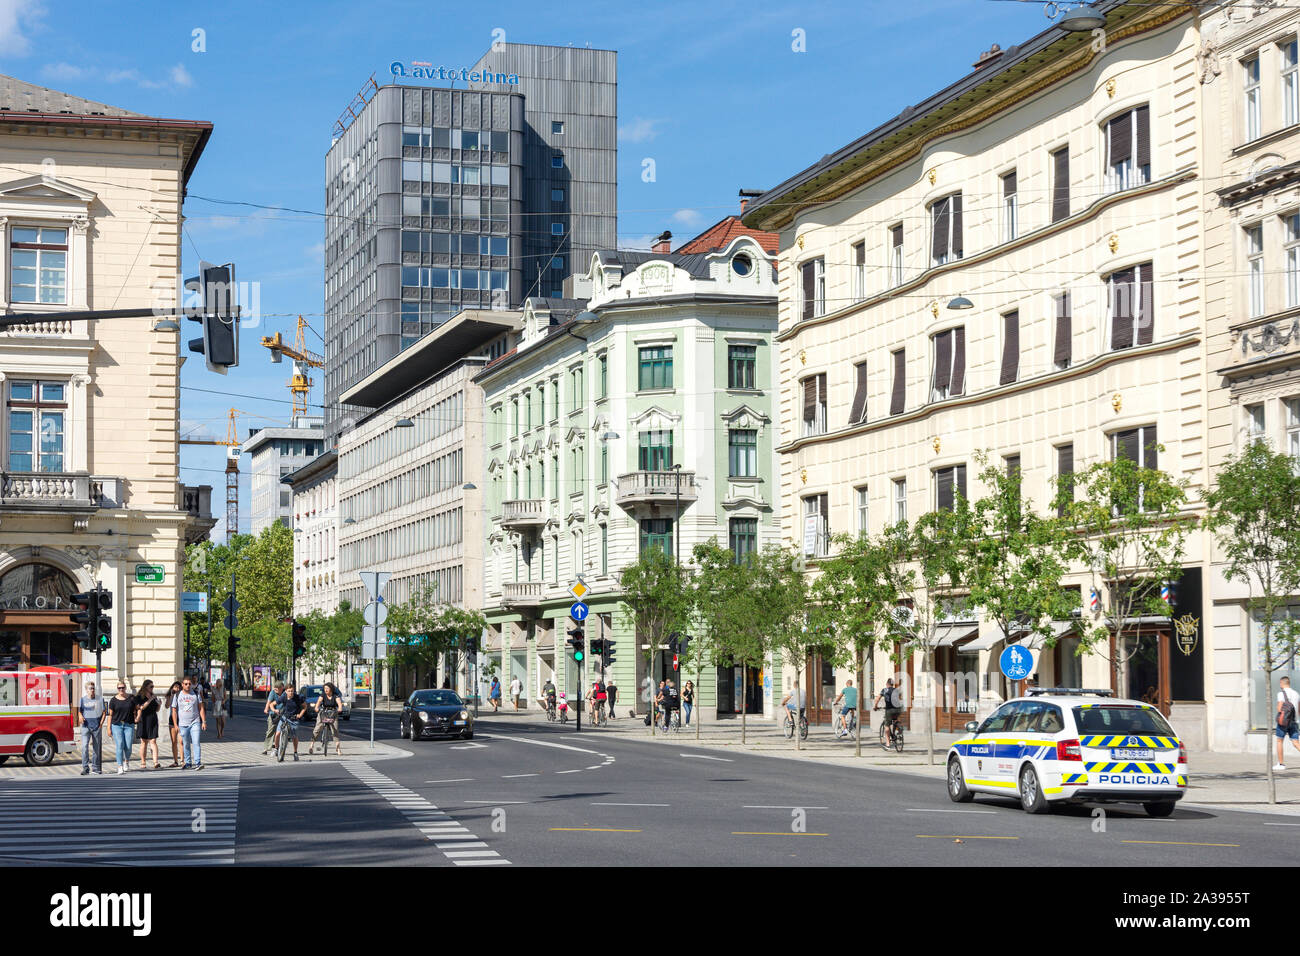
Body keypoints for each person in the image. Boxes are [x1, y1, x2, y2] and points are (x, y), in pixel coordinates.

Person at [172, 676, 206, 770]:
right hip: (183, 724)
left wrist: (203, 721)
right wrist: (175, 724)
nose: (188, 685)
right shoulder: (177, 695)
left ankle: (198, 762)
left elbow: (201, 708)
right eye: (186, 684)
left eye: (189, 684)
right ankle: (188, 763)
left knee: (196, 742)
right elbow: (174, 710)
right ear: (182, 685)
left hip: (195, 722)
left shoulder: (195, 693)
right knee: (186, 743)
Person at [272, 683, 308, 761]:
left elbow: (305, 706)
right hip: (284, 717)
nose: (290, 693)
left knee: (294, 737)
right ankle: (276, 749)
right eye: (289, 691)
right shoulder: (283, 697)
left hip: (294, 719)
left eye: (292, 691)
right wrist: (275, 710)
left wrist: (300, 714)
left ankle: (295, 752)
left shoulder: (298, 698)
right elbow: (272, 704)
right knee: (277, 733)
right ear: (286, 691)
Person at [108, 680, 137, 774]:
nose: (121, 689)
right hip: (117, 725)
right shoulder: (113, 700)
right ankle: (120, 766)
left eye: (122, 687)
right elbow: (110, 715)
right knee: (120, 744)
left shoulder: (132, 698)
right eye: (119, 688)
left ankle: (126, 761)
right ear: (117, 689)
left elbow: (139, 708)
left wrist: (138, 717)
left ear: (125, 688)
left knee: (128, 746)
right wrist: (108, 728)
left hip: (129, 724)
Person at [77, 680, 105, 775]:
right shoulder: (82, 699)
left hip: (96, 726)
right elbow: (80, 711)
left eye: (93, 688)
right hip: (86, 726)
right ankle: (85, 767)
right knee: (84, 747)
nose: (92, 690)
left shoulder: (100, 699)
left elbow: (104, 712)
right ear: (86, 690)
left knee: (96, 748)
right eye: (90, 688)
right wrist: (80, 716)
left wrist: (101, 724)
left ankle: (95, 767)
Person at [308, 682, 342, 756]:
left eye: (327, 688)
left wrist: (339, 708)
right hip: (324, 712)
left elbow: (339, 704)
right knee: (317, 728)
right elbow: (318, 702)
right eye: (324, 688)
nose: (325, 690)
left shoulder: (335, 696)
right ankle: (311, 746)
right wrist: (316, 707)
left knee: (335, 730)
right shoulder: (323, 695)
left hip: (333, 713)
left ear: (331, 689)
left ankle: (338, 748)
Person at [1275, 676, 1300, 770]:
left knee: (1279, 741)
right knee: (1296, 743)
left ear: (1282, 683)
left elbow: (1279, 708)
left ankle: (1281, 764)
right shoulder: (1296, 694)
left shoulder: (1281, 694)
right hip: (1294, 721)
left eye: (1280, 683)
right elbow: (1299, 709)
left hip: (1283, 722)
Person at [135, 680, 161, 770]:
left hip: (153, 719)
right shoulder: (140, 697)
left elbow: (157, 710)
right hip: (144, 720)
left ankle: (156, 762)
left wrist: (159, 704)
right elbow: (141, 707)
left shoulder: (154, 696)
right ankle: (143, 761)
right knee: (144, 741)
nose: (152, 688)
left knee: (153, 741)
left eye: (153, 686)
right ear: (146, 687)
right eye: (151, 686)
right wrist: (150, 699)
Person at [162, 681, 183, 768]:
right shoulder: (170, 695)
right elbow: (167, 706)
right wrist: (171, 695)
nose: (177, 689)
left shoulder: (182, 695)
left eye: (178, 687)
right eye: (175, 687)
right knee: (174, 741)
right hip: (172, 719)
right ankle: (175, 761)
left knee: (181, 741)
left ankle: (183, 760)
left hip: (181, 719)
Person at [262, 681, 286, 754]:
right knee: (270, 731)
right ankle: (266, 748)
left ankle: (278, 747)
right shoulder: (272, 692)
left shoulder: (285, 693)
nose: (275, 690)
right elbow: (269, 702)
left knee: (280, 731)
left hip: (283, 714)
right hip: (273, 714)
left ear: (281, 688)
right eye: (274, 689)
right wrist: (266, 709)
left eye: (277, 689)